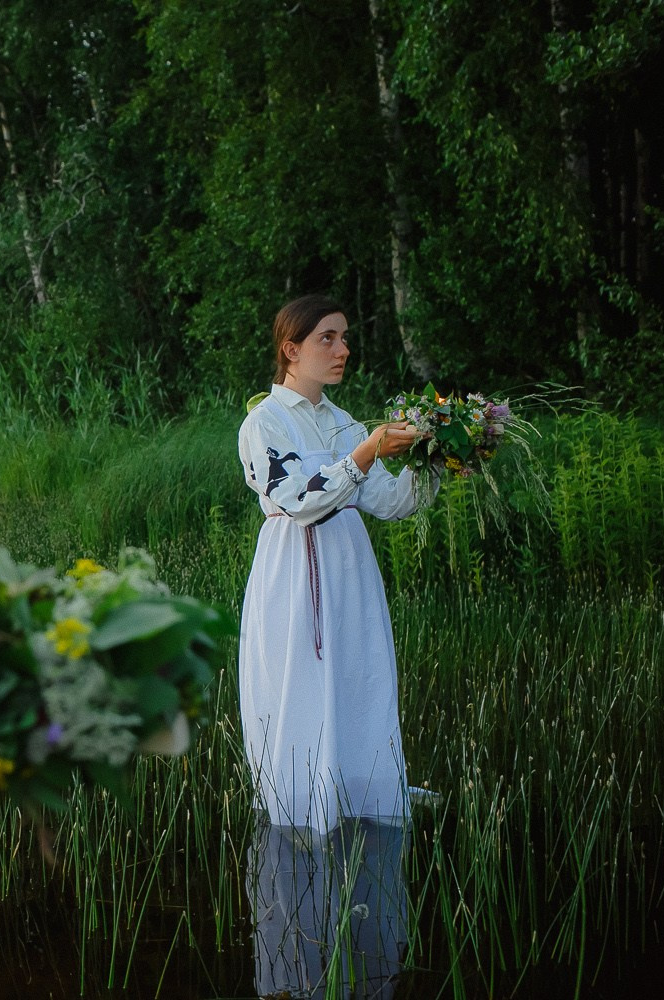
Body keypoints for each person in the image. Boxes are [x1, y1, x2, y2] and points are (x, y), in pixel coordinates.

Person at [236, 294, 426, 998]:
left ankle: (355, 795)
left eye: (345, 337)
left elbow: (389, 502)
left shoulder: (341, 419)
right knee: (299, 686)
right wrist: (368, 450)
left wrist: (436, 459)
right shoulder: (265, 422)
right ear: (292, 347)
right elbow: (297, 498)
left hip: (348, 571)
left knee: (358, 679)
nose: (343, 349)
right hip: (294, 573)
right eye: (328, 338)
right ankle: (298, 815)